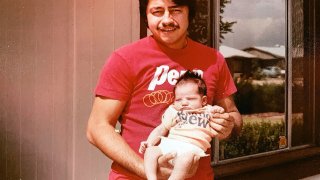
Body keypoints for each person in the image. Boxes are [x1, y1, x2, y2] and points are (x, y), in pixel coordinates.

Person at [86, 0, 242, 179]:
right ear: (146, 15)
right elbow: (97, 127)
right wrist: (148, 171)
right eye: (157, 11)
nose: (167, 19)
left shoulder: (213, 60)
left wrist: (229, 125)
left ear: (189, 13)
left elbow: (233, 114)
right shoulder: (125, 59)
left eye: (175, 10)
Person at [139, 70, 225, 180]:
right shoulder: (174, 112)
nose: (184, 103)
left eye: (190, 99)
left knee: (186, 159)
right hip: (170, 145)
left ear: (203, 100)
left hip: (191, 149)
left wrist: (219, 110)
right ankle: (151, 178)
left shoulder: (207, 111)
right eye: (178, 99)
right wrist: (149, 142)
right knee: (151, 151)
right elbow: (161, 129)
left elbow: (221, 115)